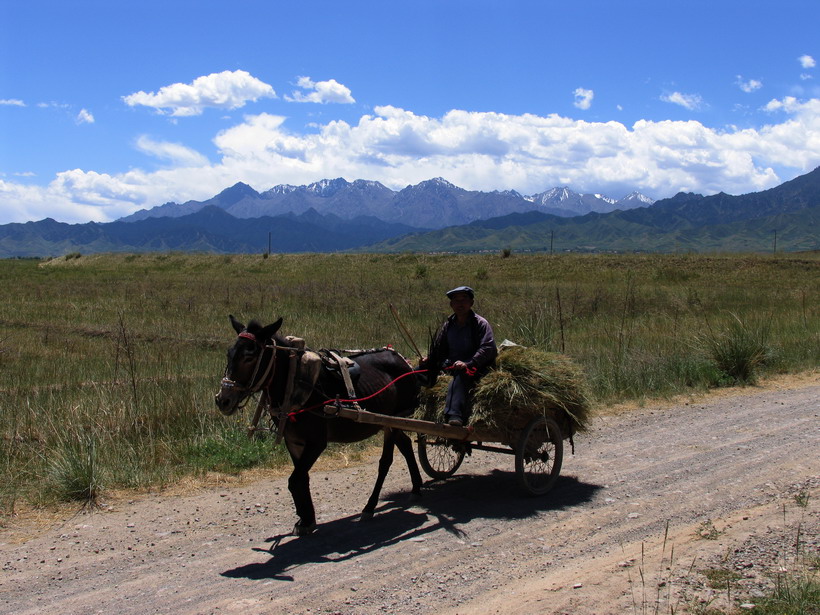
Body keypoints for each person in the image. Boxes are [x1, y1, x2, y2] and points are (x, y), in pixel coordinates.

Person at [433, 285, 497, 427]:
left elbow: (488, 348)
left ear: (471, 303)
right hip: (453, 364)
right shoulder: (448, 325)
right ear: (451, 304)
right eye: (456, 300)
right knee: (421, 370)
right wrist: (430, 360)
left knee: (460, 375)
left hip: (476, 367)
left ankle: (455, 415)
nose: (460, 303)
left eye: (464, 300)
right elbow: (440, 348)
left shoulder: (480, 323)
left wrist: (468, 362)